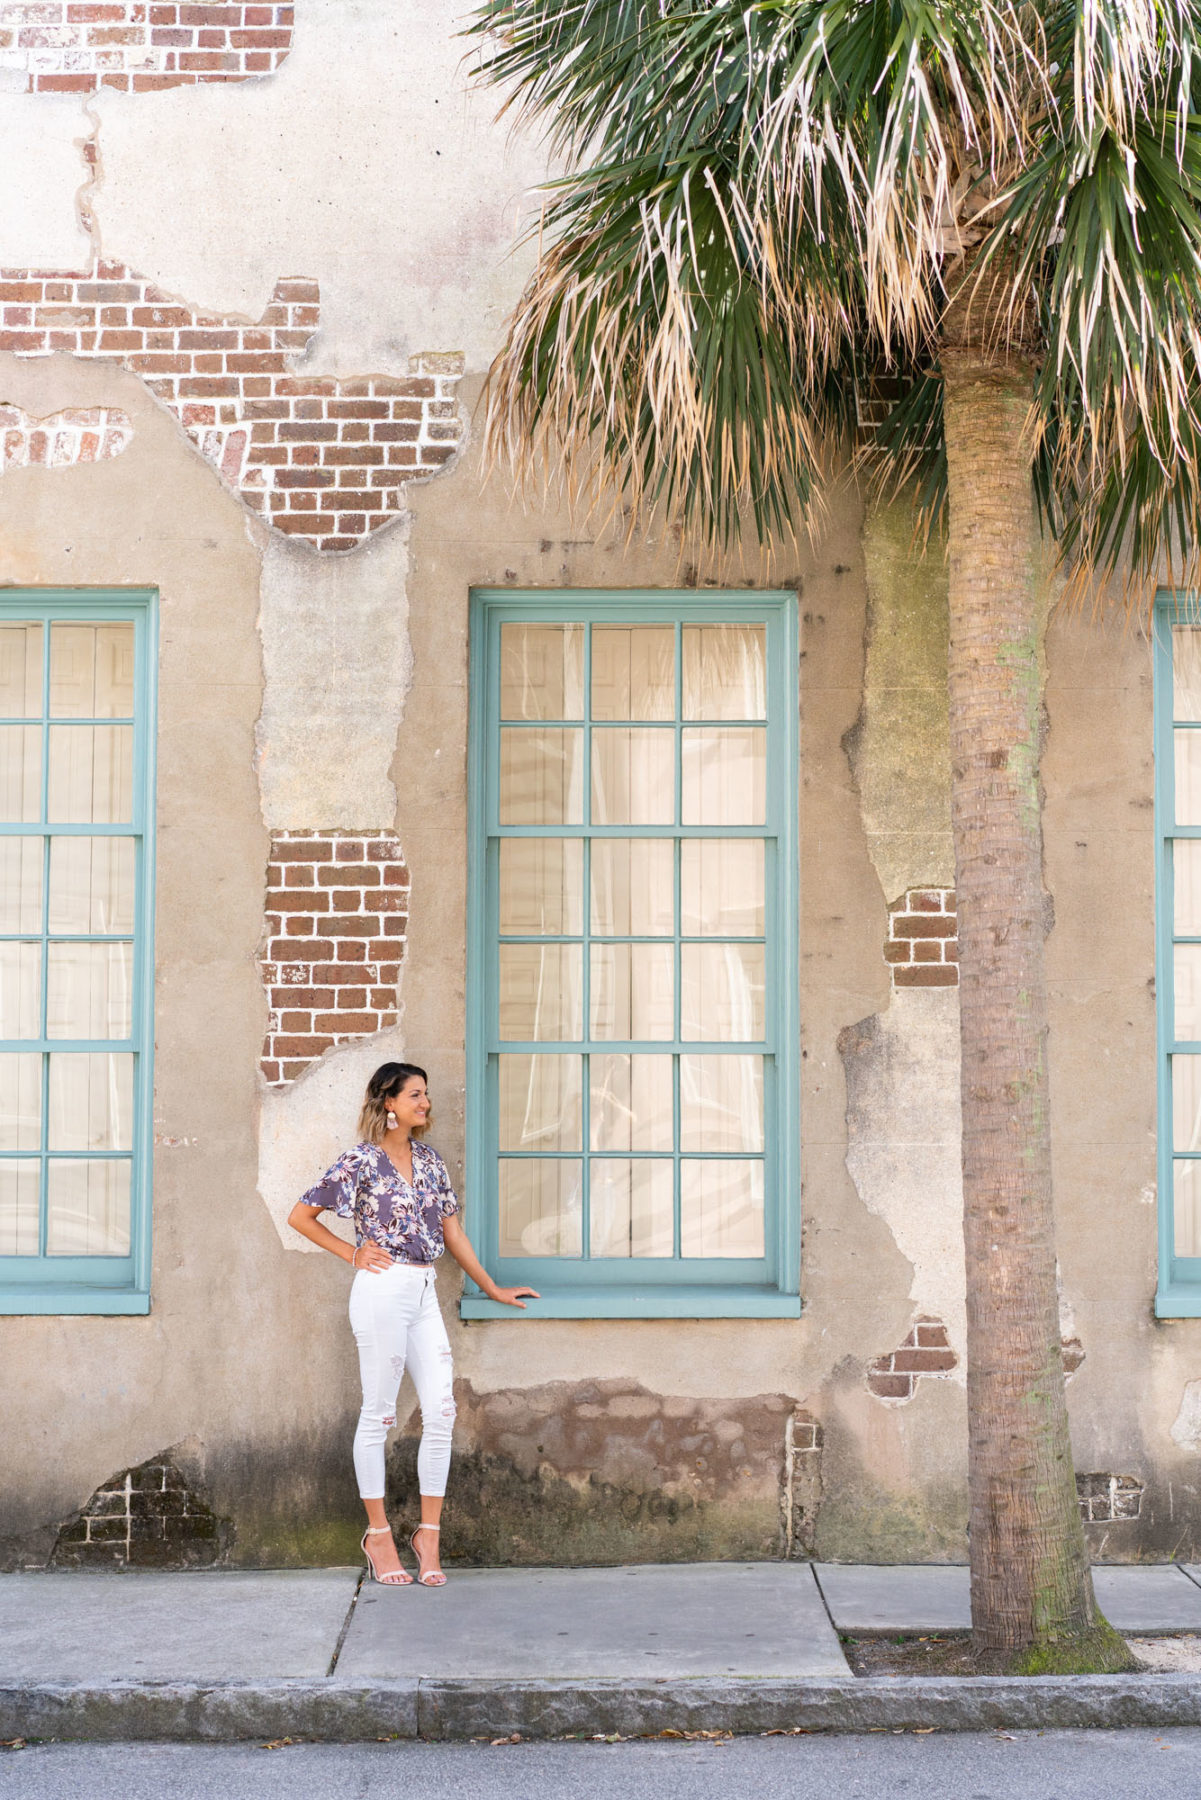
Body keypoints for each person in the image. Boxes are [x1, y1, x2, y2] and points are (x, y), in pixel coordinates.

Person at [288, 1061, 537, 1587]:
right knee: (378, 1414)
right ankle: (378, 1536)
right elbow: (301, 1216)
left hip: (423, 1292)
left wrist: (491, 1287)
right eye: (416, 1095)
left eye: (426, 1094)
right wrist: (353, 1253)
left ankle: (428, 1534)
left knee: (441, 1411)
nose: (426, 1103)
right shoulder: (360, 1161)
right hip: (381, 1292)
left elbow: (451, 1231)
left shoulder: (429, 1161)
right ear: (389, 1103)